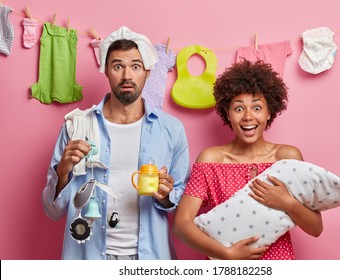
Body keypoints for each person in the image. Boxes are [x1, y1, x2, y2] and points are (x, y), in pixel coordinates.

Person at [42, 26, 190, 260]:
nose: (127, 76)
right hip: (87, 256)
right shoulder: (76, 126)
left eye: (136, 66)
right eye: (118, 66)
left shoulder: (171, 129)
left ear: (148, 72)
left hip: (150, 257)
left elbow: (184, 205)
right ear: (106, 71)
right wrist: (62, 173)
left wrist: (165, 195)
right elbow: (53, 211)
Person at [173, 59, 323, 260]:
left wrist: (287, 202)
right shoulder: (212, 159)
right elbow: (181, 225)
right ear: (228, 113)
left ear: (270, 111)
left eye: (257, 107)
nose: (248, 117)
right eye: (238, 108)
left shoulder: (288, 158)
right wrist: (226, 254)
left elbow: (316, 228)